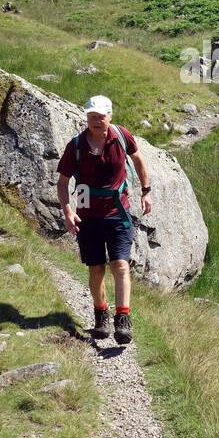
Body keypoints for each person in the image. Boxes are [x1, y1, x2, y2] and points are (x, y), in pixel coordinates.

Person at [55, 95, 152, 344]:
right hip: (87, 216)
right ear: (86, 118)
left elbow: (139, 159)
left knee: (120, 264)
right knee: (96, 268)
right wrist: (68, 211)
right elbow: (63, 182)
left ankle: (123, 319)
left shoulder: (121, 136)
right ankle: (101, 315)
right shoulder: (76, 146)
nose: (96, 121)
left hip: (118, 213)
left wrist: (146, 190)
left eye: (101, 116)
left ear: (110, 116)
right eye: (92, 117)